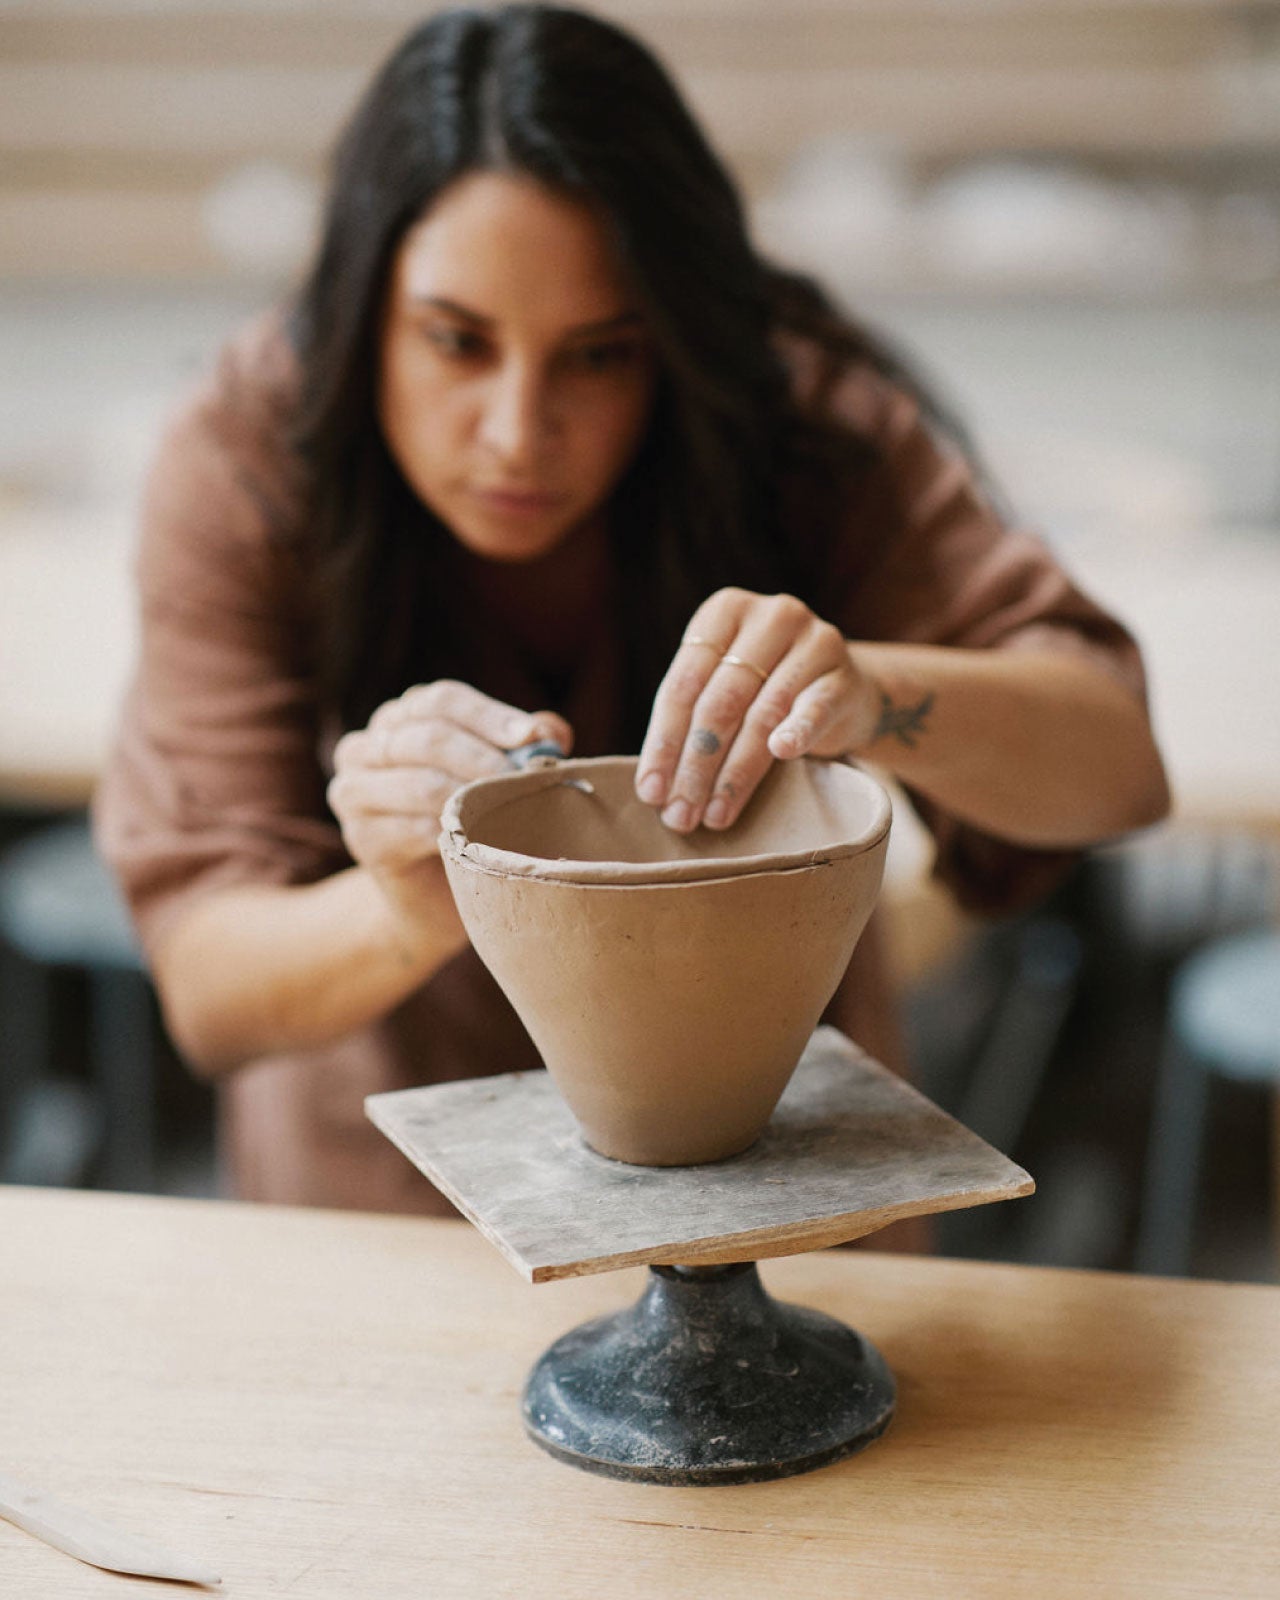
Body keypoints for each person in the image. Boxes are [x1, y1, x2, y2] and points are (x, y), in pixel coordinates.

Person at [94, 4, 1170, 1217]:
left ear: (675, 331)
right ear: (359, 307)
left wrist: (870, 693)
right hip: (382, 1208)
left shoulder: (793, 421)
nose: (516, 431)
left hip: (783, 1194)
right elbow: (211, 992)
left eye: (599, 354)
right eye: (455, 342)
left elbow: (1118, 769)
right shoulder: (249, 456)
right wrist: (407, 902)